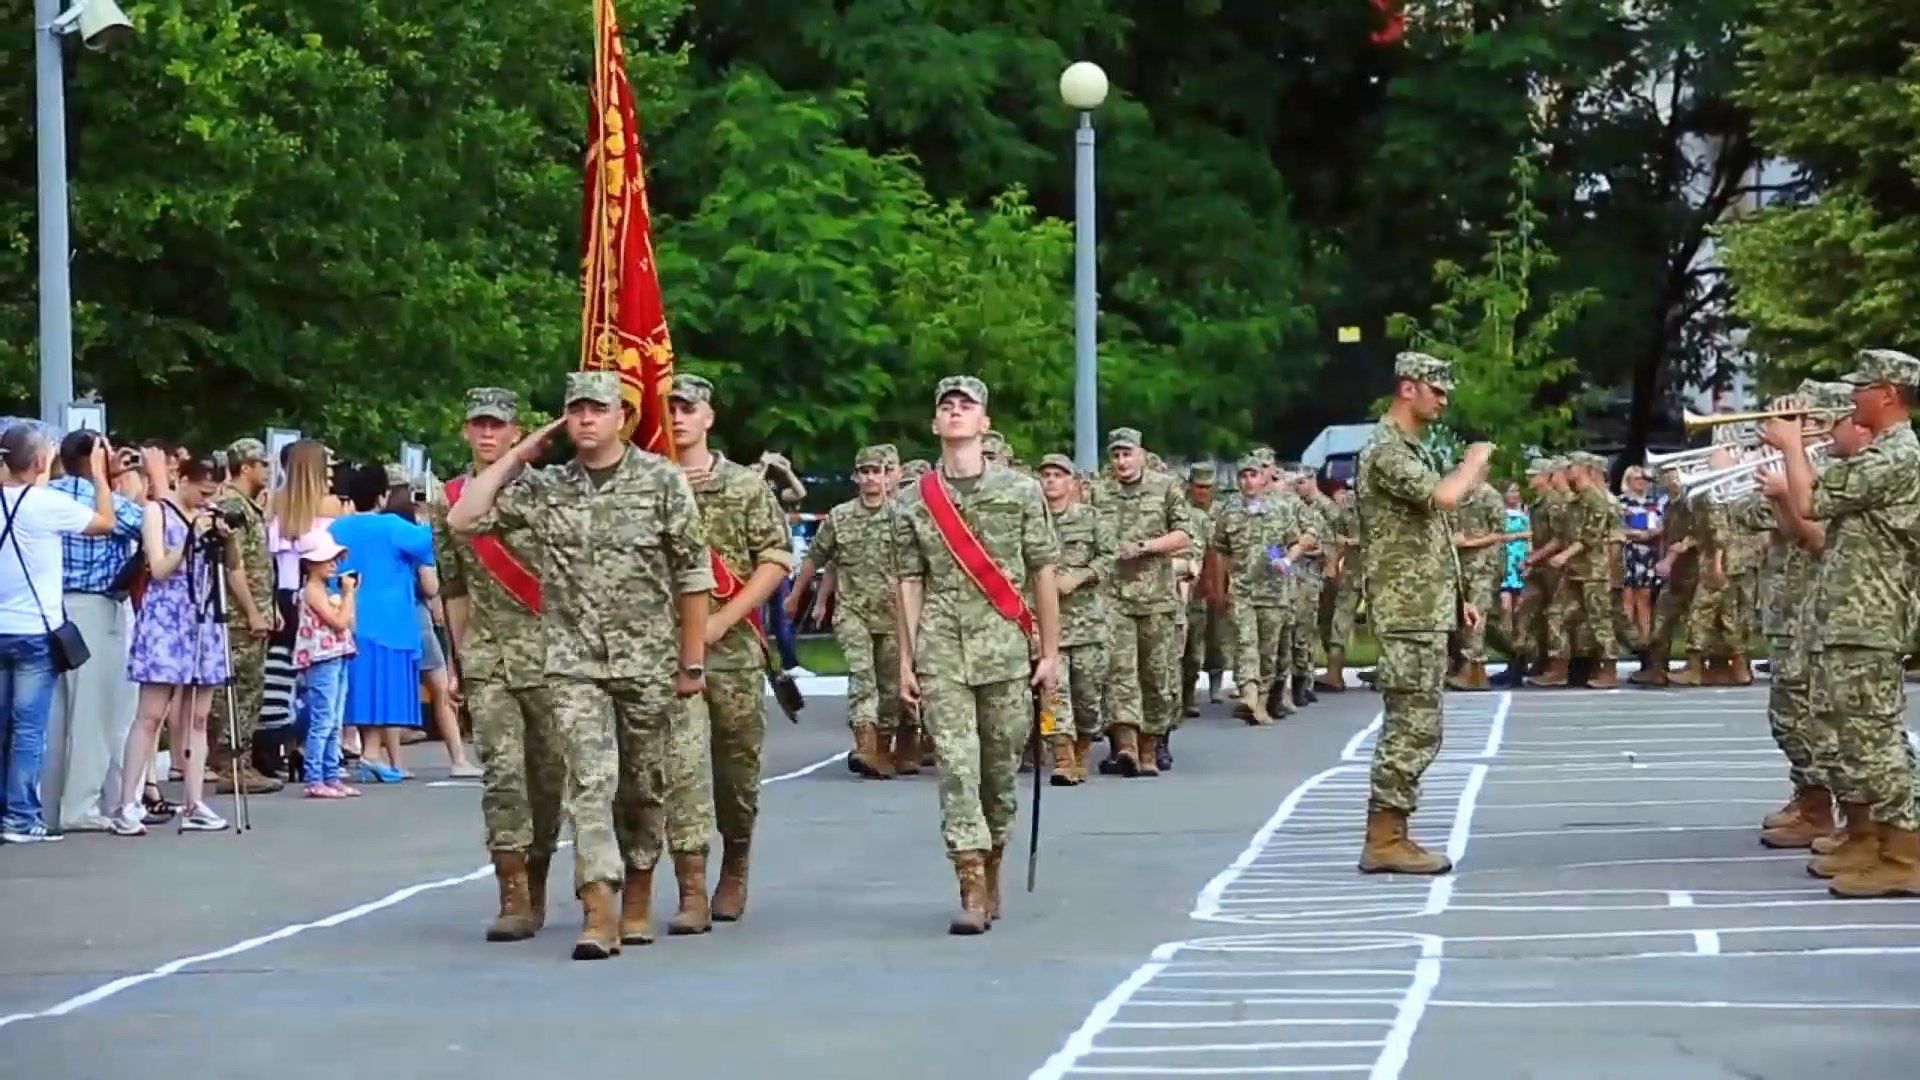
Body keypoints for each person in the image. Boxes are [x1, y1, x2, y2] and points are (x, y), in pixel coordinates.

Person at [448, 369, 711, 960]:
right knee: (590, 785)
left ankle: (639, 887)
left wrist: (691, 663)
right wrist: (521, 454)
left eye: (597, 409)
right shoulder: (549, 488)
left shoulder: (661, 481)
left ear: (622, 417)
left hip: (647, 661)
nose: (586, 419)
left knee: (642, 786)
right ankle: (599, 908)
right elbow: (464, 519)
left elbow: (693, 575)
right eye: (576, 410)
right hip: (572, 664)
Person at [892, 376, 1060, 934]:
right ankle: (969, 882)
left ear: (985, 424)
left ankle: (993, 865)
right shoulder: (913, 500)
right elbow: (909, 582)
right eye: (947, 406)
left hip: (1006, 649)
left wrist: (1050, 652)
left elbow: (1043, 571)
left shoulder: (1020, 492)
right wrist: (906, 660)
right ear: (935, 423)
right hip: (941, 649)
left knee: (998, 771)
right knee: (957, 768)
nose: (956, 412)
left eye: (967, 405)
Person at [1762, 349, 1920, 898]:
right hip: (1850, 617)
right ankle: (1874, 841)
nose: (1852, 399)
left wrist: (1791, 447)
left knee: (1874, 741)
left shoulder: (1899, 455)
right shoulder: (1885, 453)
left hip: (1871, 619)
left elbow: (1811, 505)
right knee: (1850, 739)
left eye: (1861, 388)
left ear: (1889, 394)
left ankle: (1905, 854)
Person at [433, 386, 566, 942]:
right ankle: (511, 892)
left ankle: (538, 878)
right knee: (502, 776)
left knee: (548, 779)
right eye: (479, 424)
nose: (487, 434)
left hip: (549, 655)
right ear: (467, 430)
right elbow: (455, 587)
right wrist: (458, 662)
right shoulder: (451, 498)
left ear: (517, 433)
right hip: (488, 658)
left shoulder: (549, 491)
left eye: (498, 425)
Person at [1355, 352, 1491, 876]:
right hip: (1406, 611)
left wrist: (1457, 597)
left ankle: (1394, 832)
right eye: (1436, 389)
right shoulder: (1387, 450)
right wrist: (1473, 461)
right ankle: (1384, 838)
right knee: (1412, 726)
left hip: (1423, 607)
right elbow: (1444, 498)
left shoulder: (1410, 448)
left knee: (1421, 724)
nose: (1444, 399)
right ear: (1407, 388)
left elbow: (1428, 532)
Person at [665, 373, 794, 926]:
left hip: (733, 652)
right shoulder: (649, 484)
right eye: (669, 407)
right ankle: (691, 887)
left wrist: (722, 619)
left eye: (688, 408)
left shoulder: (744, 486)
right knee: (680, 768)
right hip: (668, 650)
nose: (677, 417)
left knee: (735, 773)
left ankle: (735, 861)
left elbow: (776, 560)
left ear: (708, 418)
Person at [0, 424, 117, 843]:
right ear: (38, 461)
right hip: (35, 631)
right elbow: (105, 523)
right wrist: (100, 475)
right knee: (29, 729)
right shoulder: (47, 504)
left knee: (3, 727)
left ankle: (7, 811)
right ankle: (20, 817)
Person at [112, 451, 236, 836]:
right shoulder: (157, 512)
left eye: (212, 493)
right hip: (166, 617)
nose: (206, 499)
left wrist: (225, 539)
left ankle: (194, 801)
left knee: (198, 716)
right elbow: (159, 568)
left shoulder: (210, 513)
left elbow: (231, 567)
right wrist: (190, 539)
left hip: (204, 616)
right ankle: (127, 802)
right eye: (202, 491)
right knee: (151, 714)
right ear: (182, 480)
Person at [37, 431, 148, 833]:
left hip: (49, 607)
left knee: (55, 714)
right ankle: (82, 805)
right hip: (94, 608)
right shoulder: (104, 501)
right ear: (97, 458)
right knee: (94, 712)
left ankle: (48, 805)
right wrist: (133, 483)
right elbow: (148, 525)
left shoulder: (45, 495)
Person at [787, 445, 899, 779]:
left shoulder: (903, 517)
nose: (870, 478)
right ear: (855, 477)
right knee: (862, 675)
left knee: (890, 685)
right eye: (864, 472)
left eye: (876, 471)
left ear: (887, 477)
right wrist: (796, 596)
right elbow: (817, 558)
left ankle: (884, 747)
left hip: (894, 616)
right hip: (853, 611)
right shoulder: (840, 517)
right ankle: (865, 744)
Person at [1089, 428, 1188, 777]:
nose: (1121, 461)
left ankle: (1151, 745)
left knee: (1156, 676)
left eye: (1127, 454)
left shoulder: (1166, 488)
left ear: (1141, 455)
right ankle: (1126, 745)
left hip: (1156, 599)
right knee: (1118, 674)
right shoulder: (1098, 492)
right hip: (1113, 599)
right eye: (1116, 455)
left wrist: (1146, 547)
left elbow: (1183, 535)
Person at [331, 464, 437, 783]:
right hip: (389, 621)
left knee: (360, 690)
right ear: (383, 495)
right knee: (382, 691)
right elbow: (429, 543)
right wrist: (428, 513)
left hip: (346, 618)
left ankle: (370, 752)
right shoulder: (392, 526)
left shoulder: (337, 528)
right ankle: (372, 754)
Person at [383, 483, 478, 777]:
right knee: (439, 686)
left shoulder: (386, 535)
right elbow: (430, 584)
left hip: (389, 617)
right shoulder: (416, 539)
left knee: (394, 688)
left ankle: (395, 762)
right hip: (418, 615)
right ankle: (458, 758)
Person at [1214, 456, 1309, 725]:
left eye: (1253, 475)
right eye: (1243, 476)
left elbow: (1297, 542)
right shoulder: (1228, 512)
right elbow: (1222, 551)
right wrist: (1223, 587)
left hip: (1273, 592)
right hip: (1243, 590)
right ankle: (1249, 693)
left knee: (1268, 650)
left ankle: (1263, 700)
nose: (1248, 481)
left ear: (1263, 479)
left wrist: (1287, 561)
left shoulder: (1280, 509)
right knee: (1245, 643)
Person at [211, 438, 282, 795]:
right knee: (239, 691)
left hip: (256, 610)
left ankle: (242, 761)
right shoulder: (231, 506)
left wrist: (272, 607)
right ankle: (232, 764)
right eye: (262, 464)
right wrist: (254, 611)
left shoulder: (250, 507)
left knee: (251, 690)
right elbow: (232, 565)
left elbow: (259, 563)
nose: (267, 471)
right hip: (240, 616)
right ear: (245, 467)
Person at [1038, 452, 1114, 784]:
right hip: (1045, 627)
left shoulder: (1091, 519)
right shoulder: (1031, 520)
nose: (1051, 481)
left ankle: (1082, 747)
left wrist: (1080, 577)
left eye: (1058, 475)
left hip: (1086, 625)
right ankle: (1061, 755)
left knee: (1087, 699)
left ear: (1072, 483)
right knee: (1051, 696)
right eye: (1046, 475)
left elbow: (1110, 558)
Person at [292, 529, 358, 798]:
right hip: (322, 658)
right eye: (327, 559)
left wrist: (347, 597)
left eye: (335, 559)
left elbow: (349, 623)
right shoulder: (313, 591)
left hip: (337, 655)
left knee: (335, 719)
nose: (333, 564)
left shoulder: (328, 592)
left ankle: (331, 775)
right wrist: (349, 594)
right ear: (310, 563)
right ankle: (314, 777)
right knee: (323, 719)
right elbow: (340, 623)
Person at [1447, 478, 1505, 691]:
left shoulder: (1490, 496)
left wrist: (1469, 542)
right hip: (1463, 566)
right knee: (1463, 617)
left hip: (1484, 565)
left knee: (1478, 615)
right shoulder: (1459, 495)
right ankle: (1461, 666)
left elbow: (1499, 533)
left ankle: (1474, 670)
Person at [1180, 464, 1225, 717]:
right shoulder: (1180, 512)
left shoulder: (1224, 512)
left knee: (1214, 640)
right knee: (1185, 645)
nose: (1202, 492)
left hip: (1223, 583)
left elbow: (1216, 553)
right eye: (1198, 486)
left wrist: (1219, 586)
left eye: (1207, 487)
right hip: (1183, 587)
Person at [1317, 486, 1361, 693]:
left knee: (1384, 624)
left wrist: (1352, 541)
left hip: (1382, 572)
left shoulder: (1385, 507)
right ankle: (1334, 673)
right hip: (1352, 573)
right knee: (1339, 622)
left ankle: (1388, 672)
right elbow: (1334, 535)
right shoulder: (1347, 508)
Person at [1619, 465, 1663, 653]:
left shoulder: (1653, 503)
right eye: (1637, 479)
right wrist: (1636, 534)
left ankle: (1645, 640)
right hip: (1628, 551)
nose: (1641, 482)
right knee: (1627, 596)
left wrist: (1653, 533)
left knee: (1645, 597)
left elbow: (1662, 524)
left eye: (1644, 479)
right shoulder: (1620, 502)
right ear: (1628, 480)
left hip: (1648, 553)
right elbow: (1616, 528)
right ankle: (1628, 641)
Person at [1499, 482, 1531, 648]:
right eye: (1510, 491)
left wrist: (1516, 536)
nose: (1514, 494)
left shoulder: (1525, 511)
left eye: (1516, 491)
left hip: (1521, 559)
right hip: (1505, 561)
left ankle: (1521, 642)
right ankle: (1507, 641)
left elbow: (1531, 533)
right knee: (1505, 606)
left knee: (1521, 605)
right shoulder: (1499, 512)